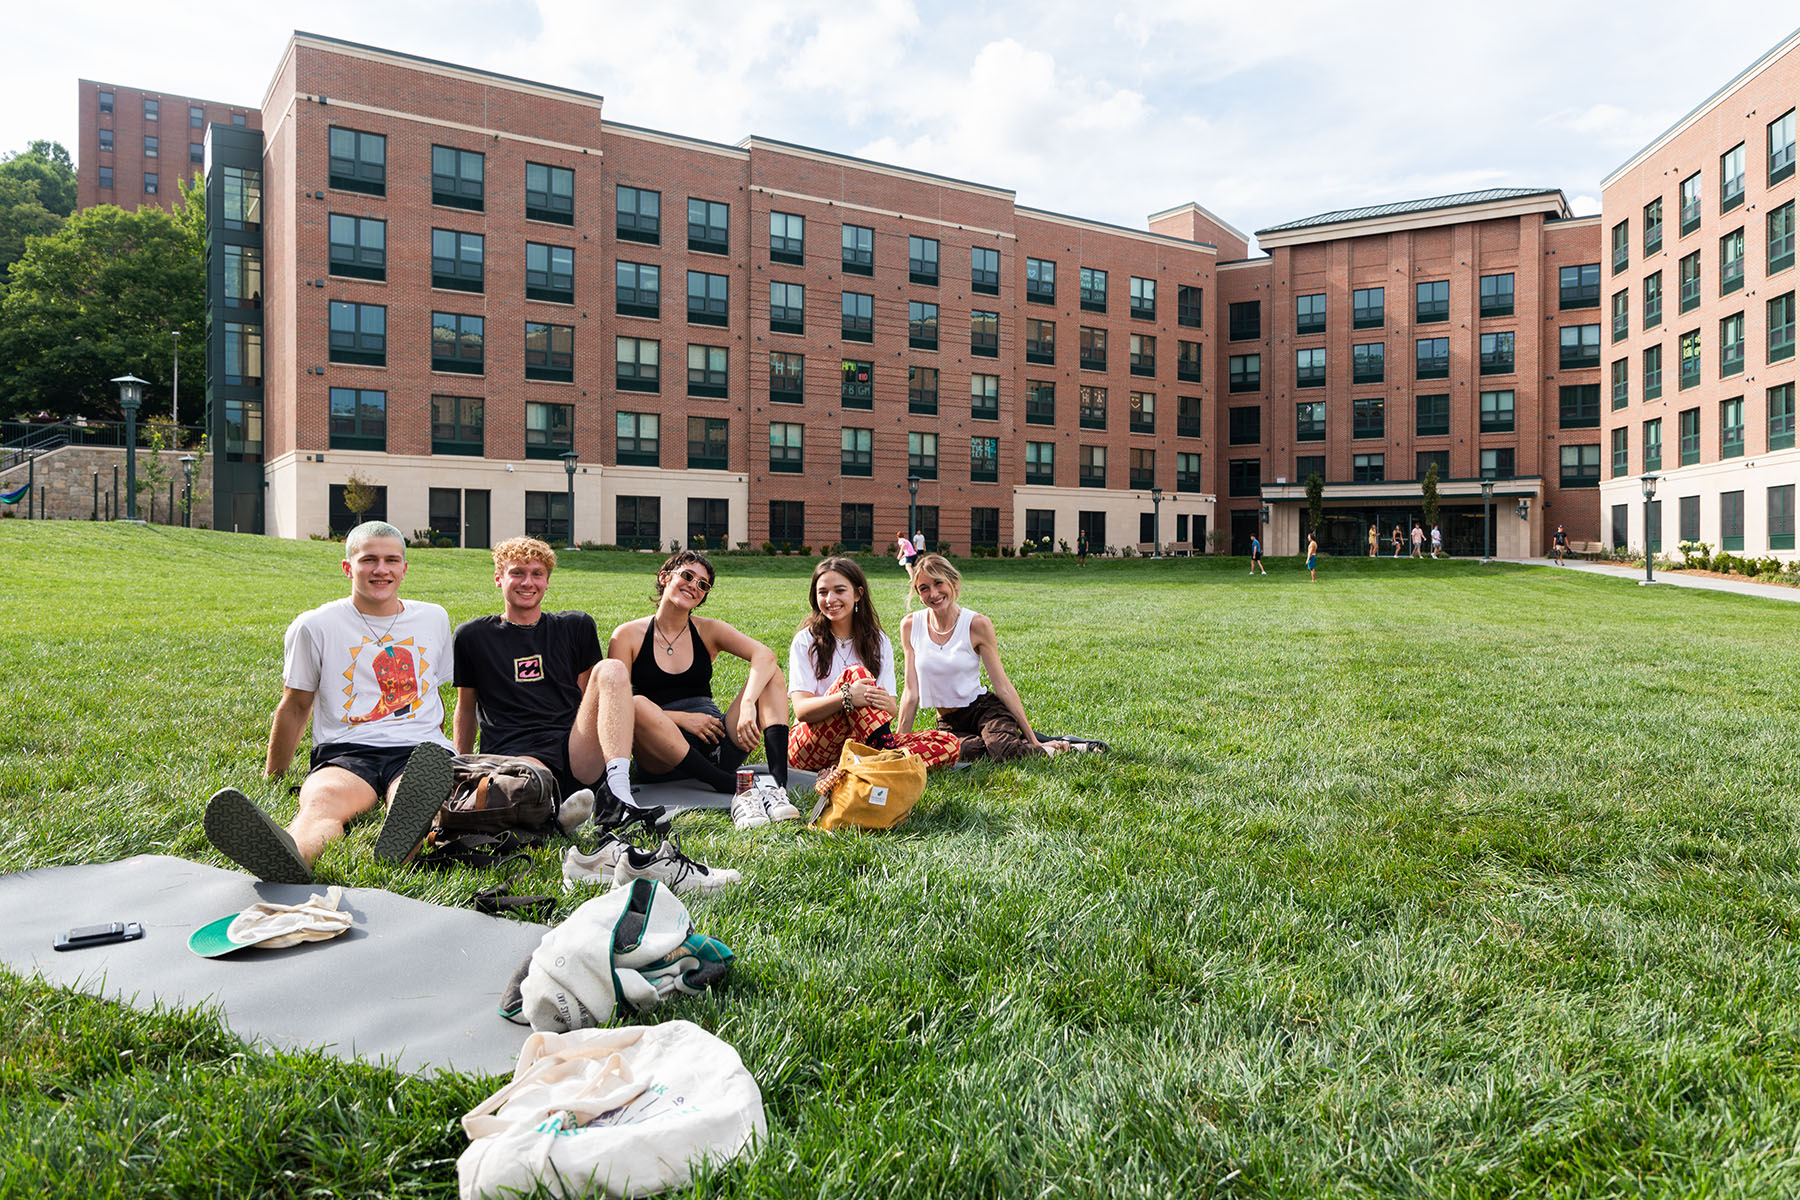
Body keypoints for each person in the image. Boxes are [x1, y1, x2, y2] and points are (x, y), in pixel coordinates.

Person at [203, 521, 457, 883]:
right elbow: (294, 705)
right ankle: (291, 857)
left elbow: (432, 691)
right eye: (369, 559)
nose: (381, 569)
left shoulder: (434, 617)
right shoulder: (315, 625)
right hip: (347, 751)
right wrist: (272, 774)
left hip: (420, 752)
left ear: (404, 567)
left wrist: (439, 740)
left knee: (413, 796)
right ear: (347, 567)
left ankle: (402, 842)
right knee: (321, 802)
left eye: (391, 560)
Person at [452, 537, 665, 838]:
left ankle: (619, 795)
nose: (528, 582)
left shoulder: (575, 627)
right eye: (517, 573)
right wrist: (462, 769)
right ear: (499, 578)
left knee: (613, 668)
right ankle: (551, 814)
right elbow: (465, 707)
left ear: (548, 581)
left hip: (575, 753)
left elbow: (589, 699)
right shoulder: (472, 637)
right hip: (516, 756)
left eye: (537, 574)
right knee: (530, 780)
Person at [611, 550, 798, 829]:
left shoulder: (709, 631)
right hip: (660, 755)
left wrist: (748, 704)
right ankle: (726, 784)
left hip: (715, 742)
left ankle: (777, 783)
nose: (693, 586)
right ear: (665, 577)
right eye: (687, 576)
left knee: (771, 674)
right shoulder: (627, 635)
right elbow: (618, 703)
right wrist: (683, 719)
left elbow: (766, 656)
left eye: (703, 584)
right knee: (636, 704)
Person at [897, 554, 1076, 763]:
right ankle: (1011, 740)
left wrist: (1032, 739)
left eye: (938, 583)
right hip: (948, 722)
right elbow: (910, 693)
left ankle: (1062, 746)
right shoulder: (911, 626)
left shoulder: (977, 624)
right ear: (918, 593)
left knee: (1001, 751)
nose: (933, 594)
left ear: (953, 583)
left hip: (983, 711)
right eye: (924, 588)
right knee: (965, 752)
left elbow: (1003, 687)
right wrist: (897, 745)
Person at [786, 557, 960, 773]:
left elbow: (891, 708)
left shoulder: (878, 641)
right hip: (810, 746)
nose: (830, 599)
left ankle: (870, 764)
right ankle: (886, 761)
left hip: (861, 743)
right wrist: (847, 696)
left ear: (858, 594)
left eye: (840, 591)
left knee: (948, 743)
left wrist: (874, 700)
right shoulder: (806, 640)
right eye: (823, 592)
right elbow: (802, 710)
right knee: (855, 674)